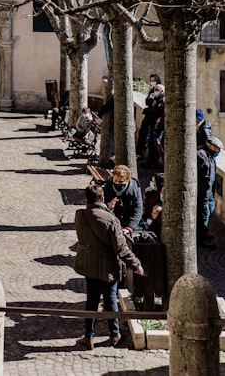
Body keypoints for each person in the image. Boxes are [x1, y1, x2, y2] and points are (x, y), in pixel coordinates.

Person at [74, 184, 143, 350]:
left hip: (89, 264)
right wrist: (136, 264)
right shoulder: (112, 220)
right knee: (110, 300)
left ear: (87, 199)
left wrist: (108, 210)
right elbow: (120, 248)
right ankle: (114, 334)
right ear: (103, 198)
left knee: (91, 301)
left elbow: (95, 226)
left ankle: (89, 336)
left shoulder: (80, 215)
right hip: (108, 267)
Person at [197, 137, 225, 249]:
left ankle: (204, 232)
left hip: (209, 193)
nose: (218, 151)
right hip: (202, 193)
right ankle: (201, 238)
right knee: (203, 215)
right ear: (209, 145)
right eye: (217, 148)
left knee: (209, 211)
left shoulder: (210, 156)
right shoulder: (200, 156)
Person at [102, 165, 144, 235]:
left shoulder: (135, 189)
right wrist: (109, 207)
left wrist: (129, 227)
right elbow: (104, 203)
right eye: (115, 180)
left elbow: (137, 209)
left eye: (121, 182)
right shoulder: (109, 186)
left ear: (127, 180)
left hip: (129, 220)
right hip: (113, 220)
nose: (117, 183)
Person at [141, 83, 165, 168]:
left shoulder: (163, 100)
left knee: (156, 146)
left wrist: (159, 121)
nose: (155, 91)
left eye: (157, 89)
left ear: (162, 91)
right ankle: (150, 161)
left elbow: (163, 113)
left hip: (158, 126)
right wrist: (150, 96)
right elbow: (148, 104)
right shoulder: (154, 98)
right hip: (151, 124)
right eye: (155, 89)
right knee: (150, 143)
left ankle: (155, 163)